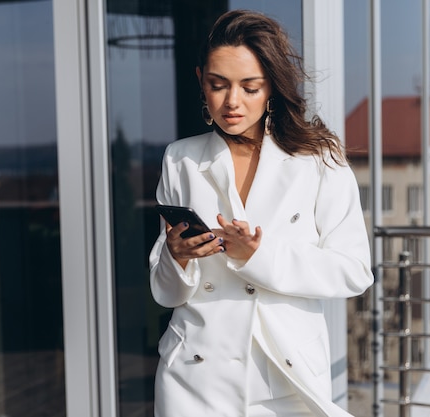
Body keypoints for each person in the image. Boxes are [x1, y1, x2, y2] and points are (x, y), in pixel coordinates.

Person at [148, 9, 373, 417]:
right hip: (193, 380)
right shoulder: (179, 159)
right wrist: (176, 256)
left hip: (286, 379)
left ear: (272, 86)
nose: (232, 102)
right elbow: (165, 292)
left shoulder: (319, 159)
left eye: (250, 87)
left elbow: (354, 271)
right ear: (201, 79)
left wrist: (259, 256)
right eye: (218, 85)